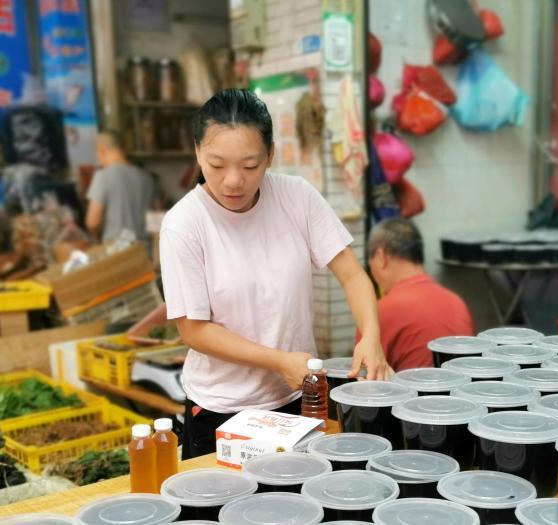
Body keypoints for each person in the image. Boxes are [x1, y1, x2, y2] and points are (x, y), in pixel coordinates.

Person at [159, 89, 391, 459]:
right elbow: (194, 330)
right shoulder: (184, 224)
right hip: (222, 410)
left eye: (250, 166)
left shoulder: (296, 196)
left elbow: (352, 275)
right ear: (198, 152)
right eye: (217, 165)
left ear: (270, 155)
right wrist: (279, 361)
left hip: (298, 398)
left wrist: (371, 336)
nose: (233, 180)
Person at [363, 218, 475, 371]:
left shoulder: (378, 312)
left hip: (409, 387)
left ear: (381, 257)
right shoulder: (457, 302)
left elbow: (364, 375)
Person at [85, 131, 155, 243]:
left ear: (101, 150)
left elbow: (93, 222)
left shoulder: (103, 176)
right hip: (144, 248)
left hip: (118, 249)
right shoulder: (146, 177)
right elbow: (155, 222)